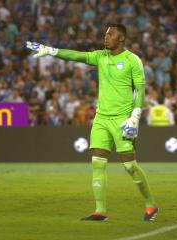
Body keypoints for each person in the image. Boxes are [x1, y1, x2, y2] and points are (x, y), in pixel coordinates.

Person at [26, 23, 158, 221]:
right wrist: (52, 51)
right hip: (101, 119)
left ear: (121, 38)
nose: (106, 37)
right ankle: (100, 211)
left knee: (130, 166)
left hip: (123, 120)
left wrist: (135, 115)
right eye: (105, 34)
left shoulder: (132, 60)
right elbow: (77, 55)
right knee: (97, 162)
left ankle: (151, 205)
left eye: (110, 34)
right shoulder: (100, 57)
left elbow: (140, 90)